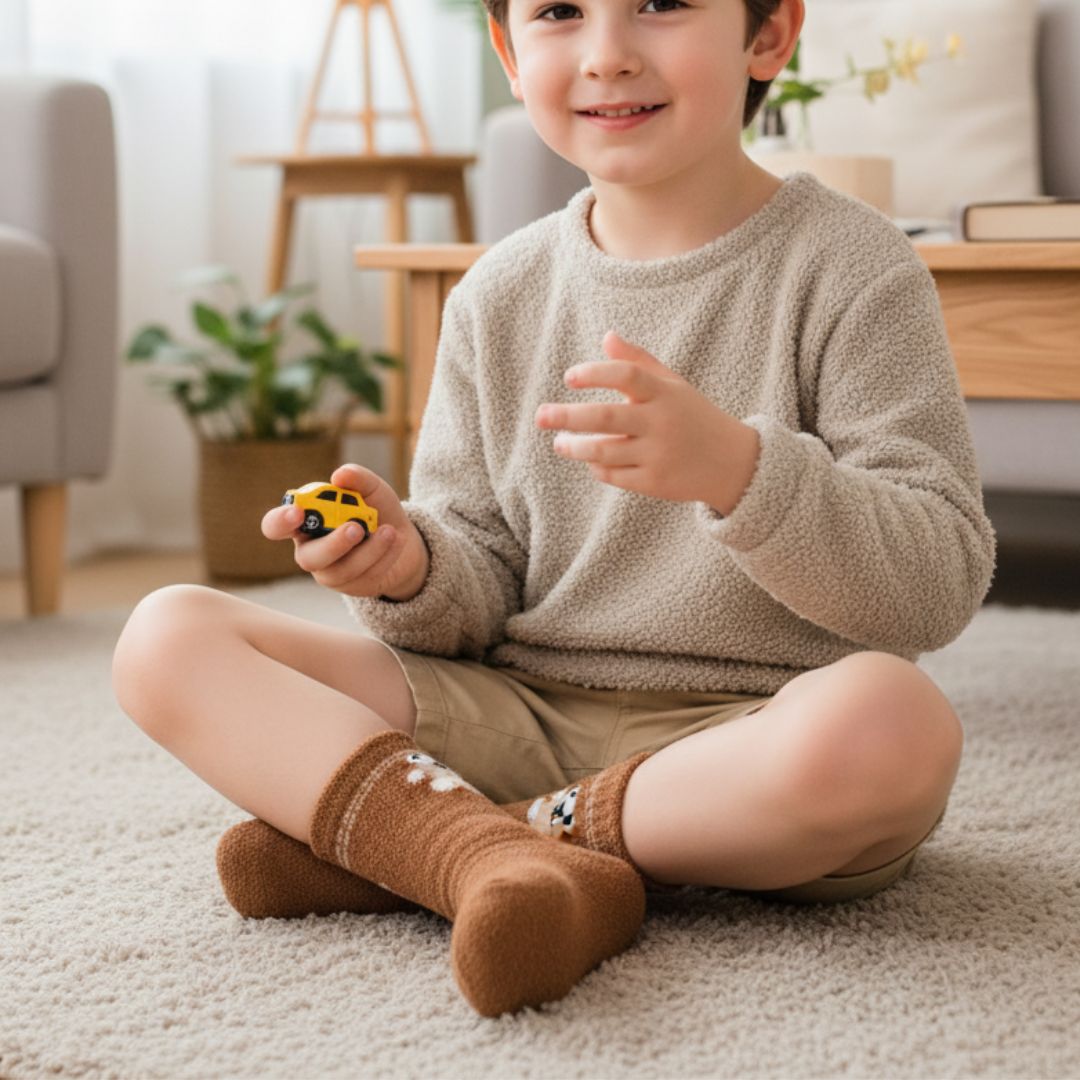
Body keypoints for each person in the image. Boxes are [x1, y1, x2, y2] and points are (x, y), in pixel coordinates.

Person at [112, 0, 997, 1019]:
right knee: (167, 636)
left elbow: (935, 584)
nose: (607, 55)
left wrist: (742, 472)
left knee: (897, 726)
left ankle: (446, 845)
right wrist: (409, 566)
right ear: (507, 48)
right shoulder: (497, 292)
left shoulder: (855, 265)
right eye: (561, 12)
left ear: (768, 34)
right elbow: (475, 582)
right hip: (516, 709)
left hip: (748, 740)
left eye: (660, 4)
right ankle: (498, 852)